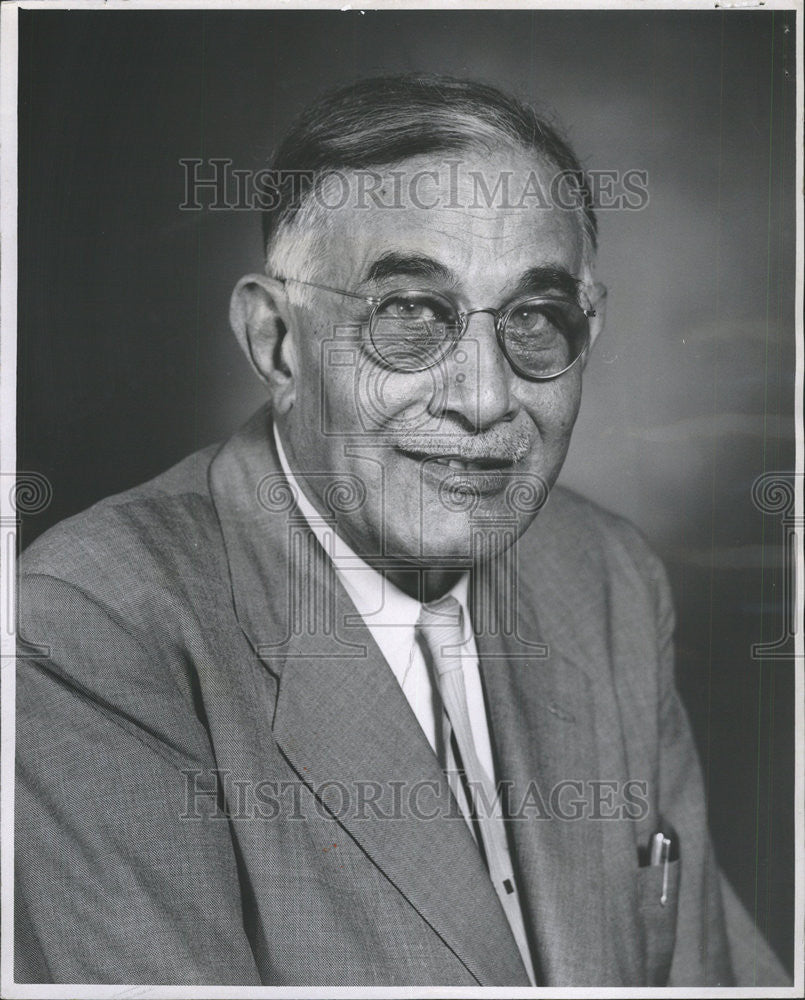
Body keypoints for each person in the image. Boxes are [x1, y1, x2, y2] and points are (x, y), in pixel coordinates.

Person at [14, 74, 788, 987]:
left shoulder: (605, 576)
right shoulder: (87, 630)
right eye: (410, 314)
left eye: (536, 320)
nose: (486, 398)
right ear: (276, 342)